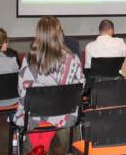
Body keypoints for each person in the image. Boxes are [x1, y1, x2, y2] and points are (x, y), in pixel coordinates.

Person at [12, 17, 85, 151]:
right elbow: (81, 88)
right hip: (65, 117)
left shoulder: (28, 60)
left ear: (38, 35)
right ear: (59, 34)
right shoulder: (73, 59)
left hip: (34, 118)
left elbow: (22, 92)